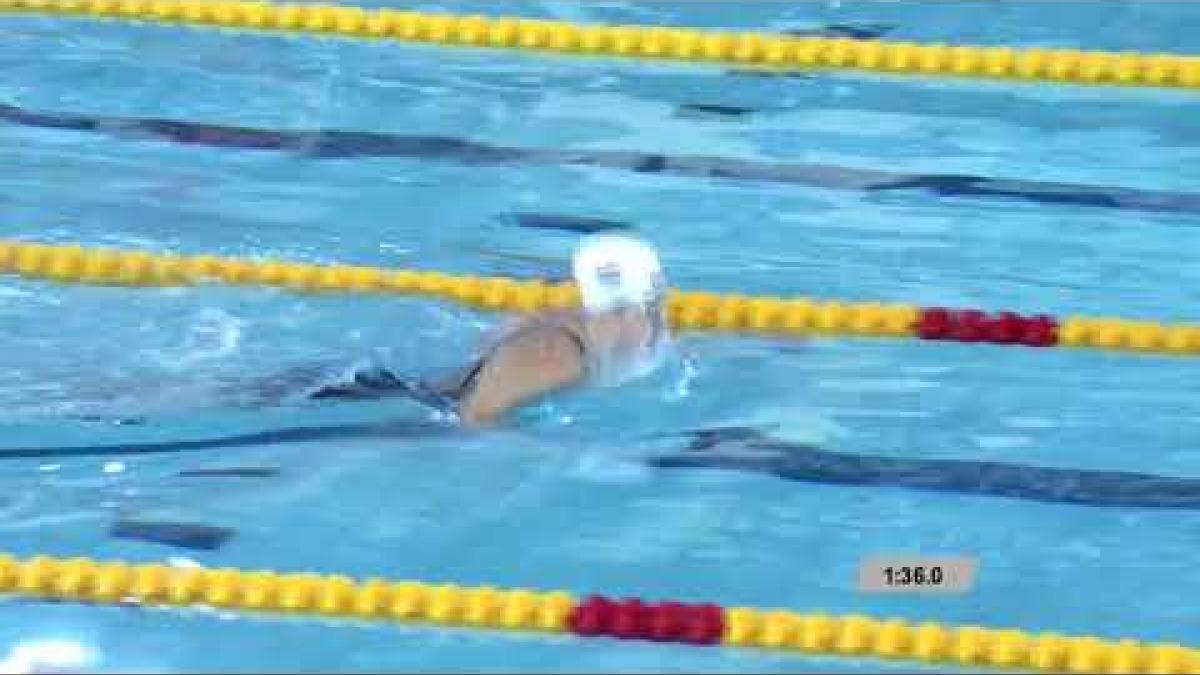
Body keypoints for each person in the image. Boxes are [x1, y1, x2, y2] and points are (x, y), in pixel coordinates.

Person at [309, 234, 673, 427]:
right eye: (621, 311)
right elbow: (472, 420)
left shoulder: (648, 333)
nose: (635, 324)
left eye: (643, 309)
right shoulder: (555, 352)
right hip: (373, 401)